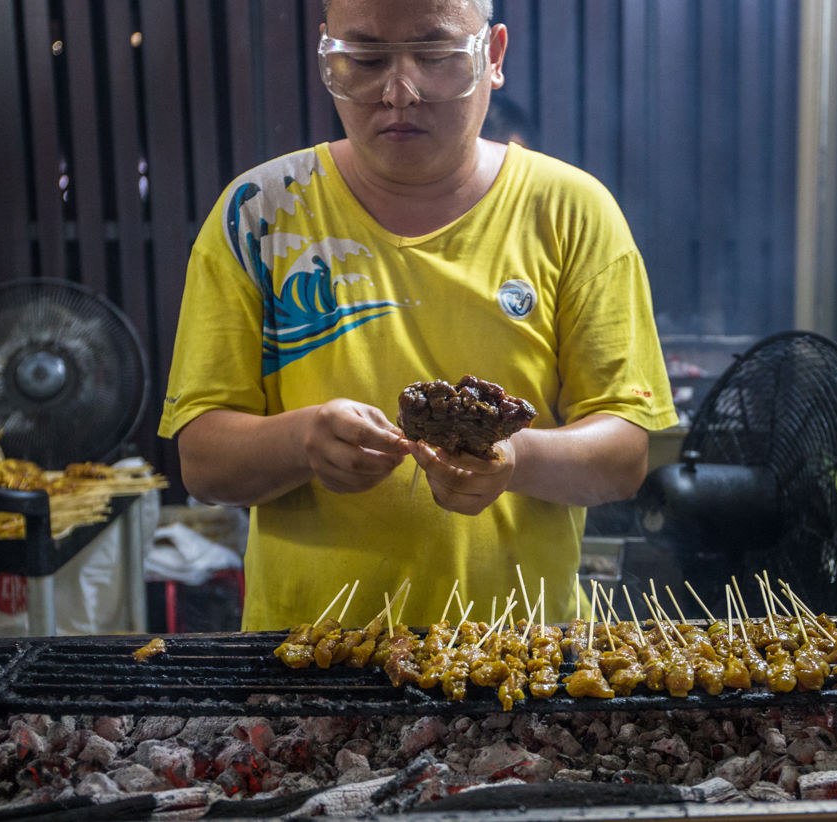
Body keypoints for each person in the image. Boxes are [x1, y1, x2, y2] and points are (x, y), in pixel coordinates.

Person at [158, 0, 678, 630]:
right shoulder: (260, 214)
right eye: (365, 59)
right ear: (329, 54)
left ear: (494, 56)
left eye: (436, 57)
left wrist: (515, 460)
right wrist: (302, 442)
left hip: (521, 660)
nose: (399, 91)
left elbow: (625, 452)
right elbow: (203, 461)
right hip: (309, 655)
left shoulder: (571, 211)